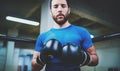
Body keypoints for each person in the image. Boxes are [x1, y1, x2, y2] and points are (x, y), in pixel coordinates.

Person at [31, 0, 99, 71]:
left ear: (69, 10)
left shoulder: (82, 32)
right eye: (55, 6)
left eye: (63, 6)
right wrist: (41, 58)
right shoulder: (42, 36)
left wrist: (83, 57)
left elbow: (95, 60)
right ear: (51, 12)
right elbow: (34, 68)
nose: (60, 10)